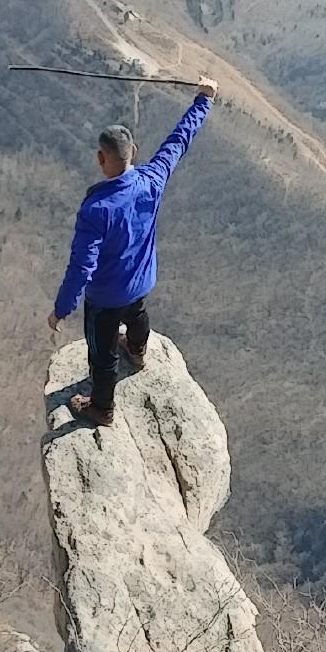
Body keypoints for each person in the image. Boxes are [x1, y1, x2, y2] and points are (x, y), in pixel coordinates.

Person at [48, 77, 218, 426]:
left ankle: (101, 407)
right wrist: (204, 100)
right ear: (134, 152)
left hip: (106, 299)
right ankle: (138, 350)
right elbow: (179, 140)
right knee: (137, 314)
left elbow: (81, 268)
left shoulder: (96, 209)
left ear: (101, 158)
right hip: (141, 282)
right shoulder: (152, 180)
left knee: (102, 353)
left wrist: (61, 310)